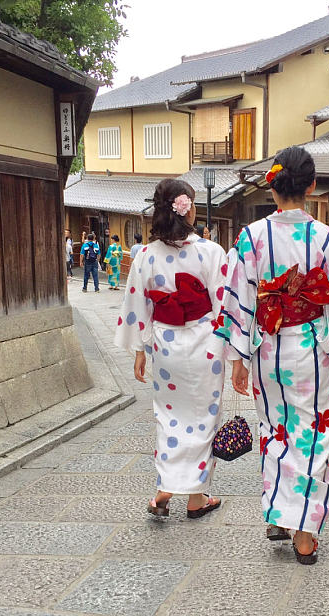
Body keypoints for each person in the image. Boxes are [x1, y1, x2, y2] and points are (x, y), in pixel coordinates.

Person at [216, 146, 329, 565]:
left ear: (275, 184)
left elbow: (239, 301)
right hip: (313, 351)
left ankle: (278, 514)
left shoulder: (251, 237)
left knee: (276, 431)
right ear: (312, 185)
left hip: (268, 349)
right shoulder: (327, 238)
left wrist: (238, 360)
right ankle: (304, 534)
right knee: (314, 436)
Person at [114, 179, 227, 519]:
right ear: (188, 207)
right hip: (206, 345)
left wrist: (139, 350)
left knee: (168, 418)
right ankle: (195, 498)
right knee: (204, 419)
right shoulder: (211, 252)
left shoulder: (146, 256)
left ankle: (165, 488)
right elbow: (224, 306)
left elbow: (137, 305)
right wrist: (237, 355)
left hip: (165, 346)